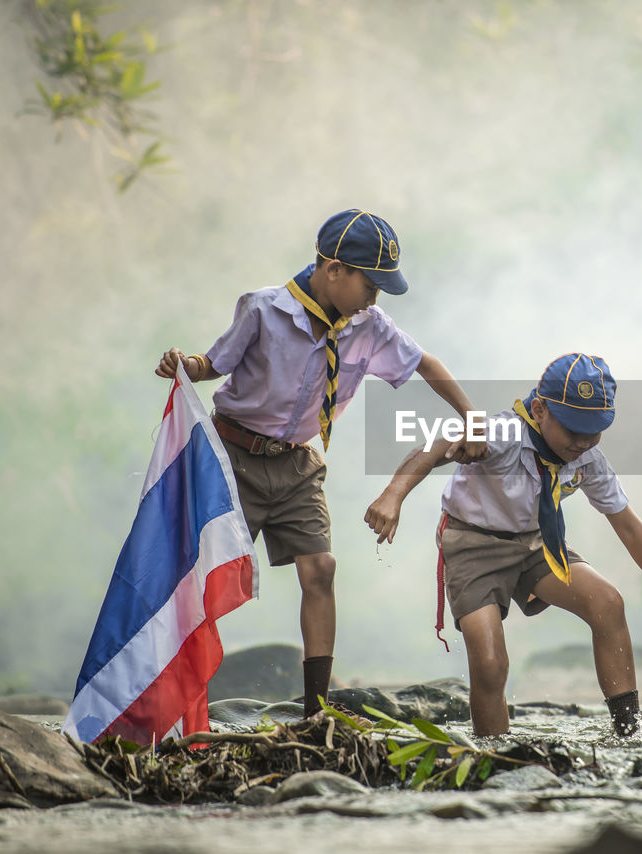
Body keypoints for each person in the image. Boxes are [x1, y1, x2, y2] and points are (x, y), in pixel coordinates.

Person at [155, 209, 485, 717]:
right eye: (369, 285)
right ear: (334, 270)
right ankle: (179, 700)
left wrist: (472, 417)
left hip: (298, 465)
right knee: (202, 576)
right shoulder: (263, 310)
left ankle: (316, 710)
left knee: (321, 570)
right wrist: (184, 364)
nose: (374, 299)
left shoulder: (369, 326)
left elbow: (426, 364)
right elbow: (212, 364)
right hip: (233, 457)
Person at [364, 353, 642, 737]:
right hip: (473, 546)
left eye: (594, 431)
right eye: (573, 428)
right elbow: (436, 447)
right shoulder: (504, 434)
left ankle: (629, 731)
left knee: (608, 603)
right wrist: (394, 494)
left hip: (538, 543)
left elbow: (629, 527)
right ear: (540, 410)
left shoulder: (588, 458)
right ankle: (497, 753)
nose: (582, 441)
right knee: (490, 663)